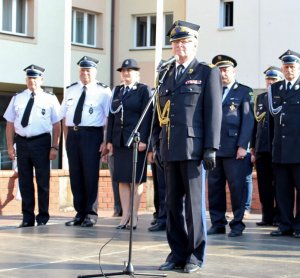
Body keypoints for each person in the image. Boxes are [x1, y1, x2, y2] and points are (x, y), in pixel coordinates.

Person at [151, 20, 222, 273]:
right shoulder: (166, 74)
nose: (179, 46)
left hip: (193, 149)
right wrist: (157, 143)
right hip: (169, 148)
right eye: (175, 42)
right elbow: (160, 113)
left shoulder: (206, 72)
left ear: (195, 44)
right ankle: (177, 253)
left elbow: (214, 112)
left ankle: (195, 255)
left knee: (193, 207)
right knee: (172, 206)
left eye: (184, 42)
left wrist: (211, 147)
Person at [268, 50, 300, 238]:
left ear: (299, 67)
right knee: (282, 189)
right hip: (280, 148)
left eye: (292, 66)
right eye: (286, 67)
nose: (289, 70)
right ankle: (284, 224)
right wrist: (270, 146)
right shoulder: (275, 89)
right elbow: (271, 122)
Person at [3, 64, 61, 227]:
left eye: (35, 78)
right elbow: (9, 124)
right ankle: (27, 218)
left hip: (42, 142)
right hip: (21, 143)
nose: (32, 81)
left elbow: (57, 124)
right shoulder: (18, 97)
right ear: (26, 80)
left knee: (43, 181)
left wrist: (54, 146)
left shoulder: (50, 98)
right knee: (25, 181)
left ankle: (42, 217)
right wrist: (9, 146)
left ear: (41, 79)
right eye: (29, 78)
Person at [60, 56, 111, 228]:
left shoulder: (103, 91)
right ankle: (79, 212)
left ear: (94, 72)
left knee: (90, 175)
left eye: (88, 70)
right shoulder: (71, 90)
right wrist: (67, 139)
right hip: (74, 136)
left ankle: (90, 213)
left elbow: (109, 118)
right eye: (82, 70)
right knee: (76, 175)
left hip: (92, 135)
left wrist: (106, 140)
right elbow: (64, 116)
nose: (85, 73)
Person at [206, 54, 254, 238]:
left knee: (237, 189)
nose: (222, 73)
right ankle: (217, 223)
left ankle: (237, 224)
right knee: (215, 188)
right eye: (219, 70)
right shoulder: (211, 91)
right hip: (215, 149)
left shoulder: (244, 91)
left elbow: (248, 121)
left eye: (225, 69)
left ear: (234, 71)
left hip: (235, 149)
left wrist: (243, 146)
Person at [107, 58, 152, 230]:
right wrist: (109, 141)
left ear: (137, 73)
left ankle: (134, 215)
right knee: (122, 180)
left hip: (135, 141)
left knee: (135, 180)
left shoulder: (143, 90)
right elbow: (112, 116)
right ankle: (125, 214)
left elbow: (147, 116)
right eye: (124, 71)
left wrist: (143, 139)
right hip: (119, 141)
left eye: (130, 71)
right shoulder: (117, 91)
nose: (126, 74)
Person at [250, 66, 283, 226]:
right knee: (263, 185)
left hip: (276, 148)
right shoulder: (261, 98)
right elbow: (255, 124)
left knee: (278, 184)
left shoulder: (282, 97)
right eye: (268, 80)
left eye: (274, 80)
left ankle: (278, 216)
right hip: (261, 148)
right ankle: (267, 215)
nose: (270, 82)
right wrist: (253, 146)